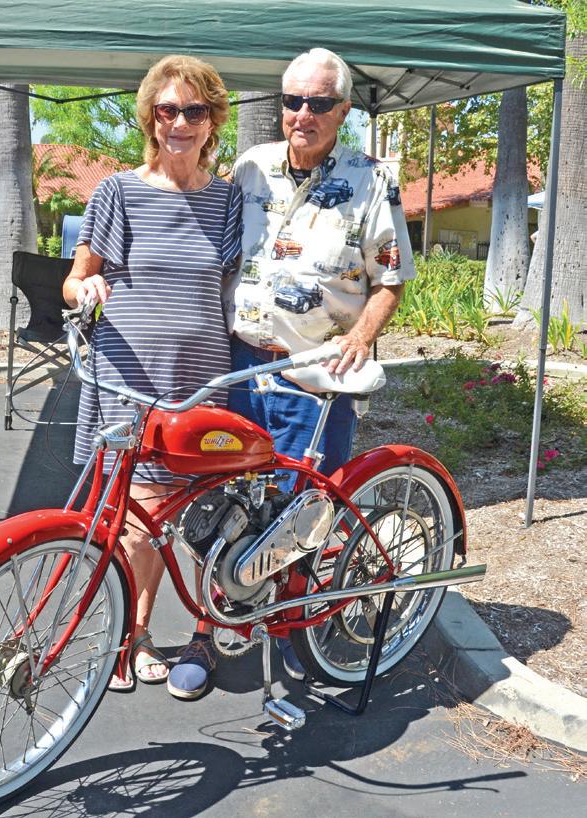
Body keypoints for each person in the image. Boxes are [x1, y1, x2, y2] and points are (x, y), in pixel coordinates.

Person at [228, 48, 416, 679]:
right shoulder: (250, 168)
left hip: (313, 377)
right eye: (293, 101)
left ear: (344, 109)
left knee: (301, 512)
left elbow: (390, 279)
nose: (302, 114)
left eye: (319, 102)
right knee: (225, 504)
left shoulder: (372, 180)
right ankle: (216, 626)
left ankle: (289, 632)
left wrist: (362, 334)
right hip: (239, 367)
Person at [62, 55, 242, 701]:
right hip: (128, 377)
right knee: (138, 521)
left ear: (213, 120)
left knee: (206, 515)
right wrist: (86, 289)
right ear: (150, 117)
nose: (180, 123)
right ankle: (134, 637)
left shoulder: (228, 200)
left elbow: (237, 290)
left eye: (194, 110)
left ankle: (203, 633)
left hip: (201, 379)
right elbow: (75, 278)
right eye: (168, 110)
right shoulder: (117, 192)